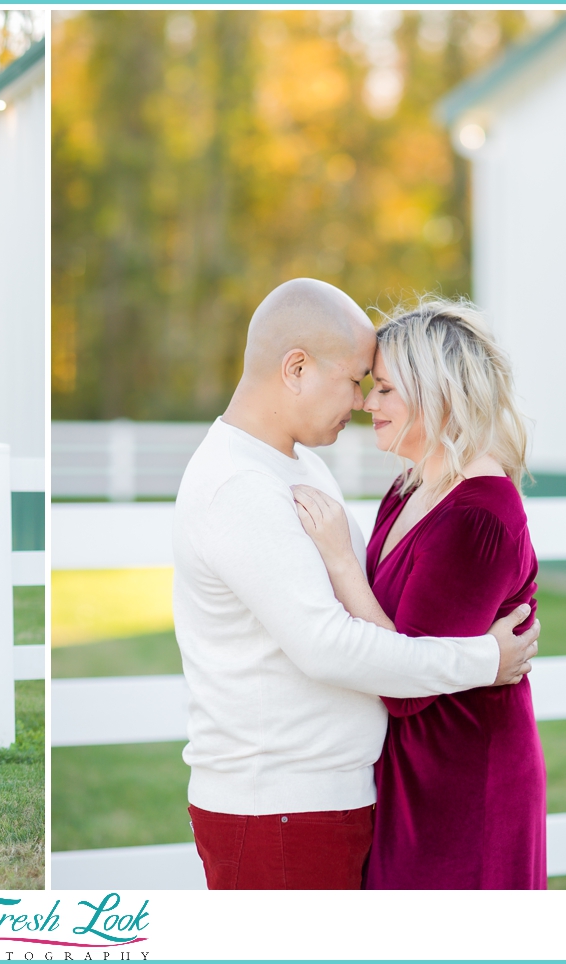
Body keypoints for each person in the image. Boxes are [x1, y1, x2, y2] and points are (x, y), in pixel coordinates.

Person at [172, 277, 540, 890]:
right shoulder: (240, 485)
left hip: (349, 795)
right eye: (356, 380)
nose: (364, 399)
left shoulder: (299, 464)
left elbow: (367, 602)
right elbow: (327, 643)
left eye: (380, 386)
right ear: (295, 369)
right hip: (283, 801)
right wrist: (486, 658)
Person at [292, 299, 546, 889]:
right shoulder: (409, 489)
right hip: (410, 768)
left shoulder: (478, 514)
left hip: (462, 777)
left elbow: (406, 688)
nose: (366, 402)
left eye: (384, 389)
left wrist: (338, 558)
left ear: (439, 393)